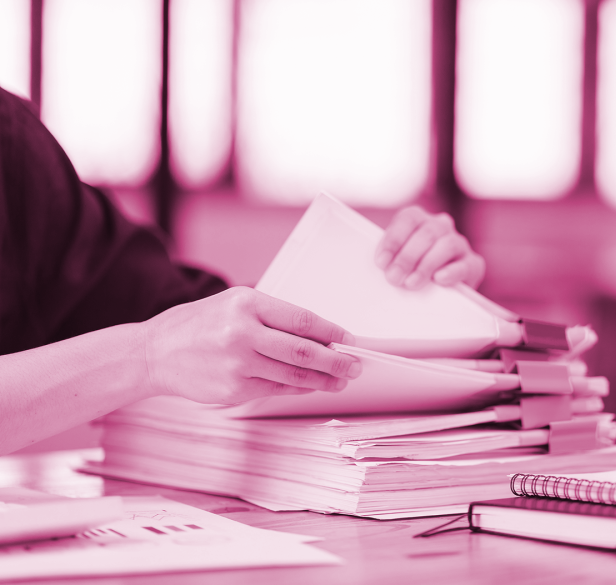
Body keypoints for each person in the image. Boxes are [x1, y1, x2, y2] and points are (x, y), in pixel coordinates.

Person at [0, 86, 485, 454]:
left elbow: (201, 331)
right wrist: (146, 356)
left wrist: (411, 293)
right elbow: (162, 343)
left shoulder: (10, 148)